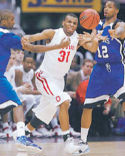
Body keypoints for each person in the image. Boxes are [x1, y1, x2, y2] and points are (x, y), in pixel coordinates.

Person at [21, 13, 100, 154]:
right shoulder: (52, 33)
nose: (71, 25)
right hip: (44, 76)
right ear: (63, 22)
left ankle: (23, 135)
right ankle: (68, 143)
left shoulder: (77, 38)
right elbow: (31, 38)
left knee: (46, 112)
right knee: (64, 101)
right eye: (69, 22)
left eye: (74, 23)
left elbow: (93, 48)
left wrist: (93, 37)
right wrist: (26, 39)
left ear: (77, 25)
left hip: (58, 80)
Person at [0, 10, 70, 153]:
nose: (13, 22)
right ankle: (21, 137)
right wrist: (56, 46)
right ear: (4, 20)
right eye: (11, 19)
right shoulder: (5, 36)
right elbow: (32, 47)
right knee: (17, 104)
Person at [74, 1, 125, 155]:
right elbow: (94, 47)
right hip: (99, 70)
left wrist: (114, 34)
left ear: (116, 10)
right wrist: (85, 43)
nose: (106, 9)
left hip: (117, 68)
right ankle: (83, 143)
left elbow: (121, 32)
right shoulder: (97, 25)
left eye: (110, 6)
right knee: (87, 106)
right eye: (105, 6)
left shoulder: (119, 24)